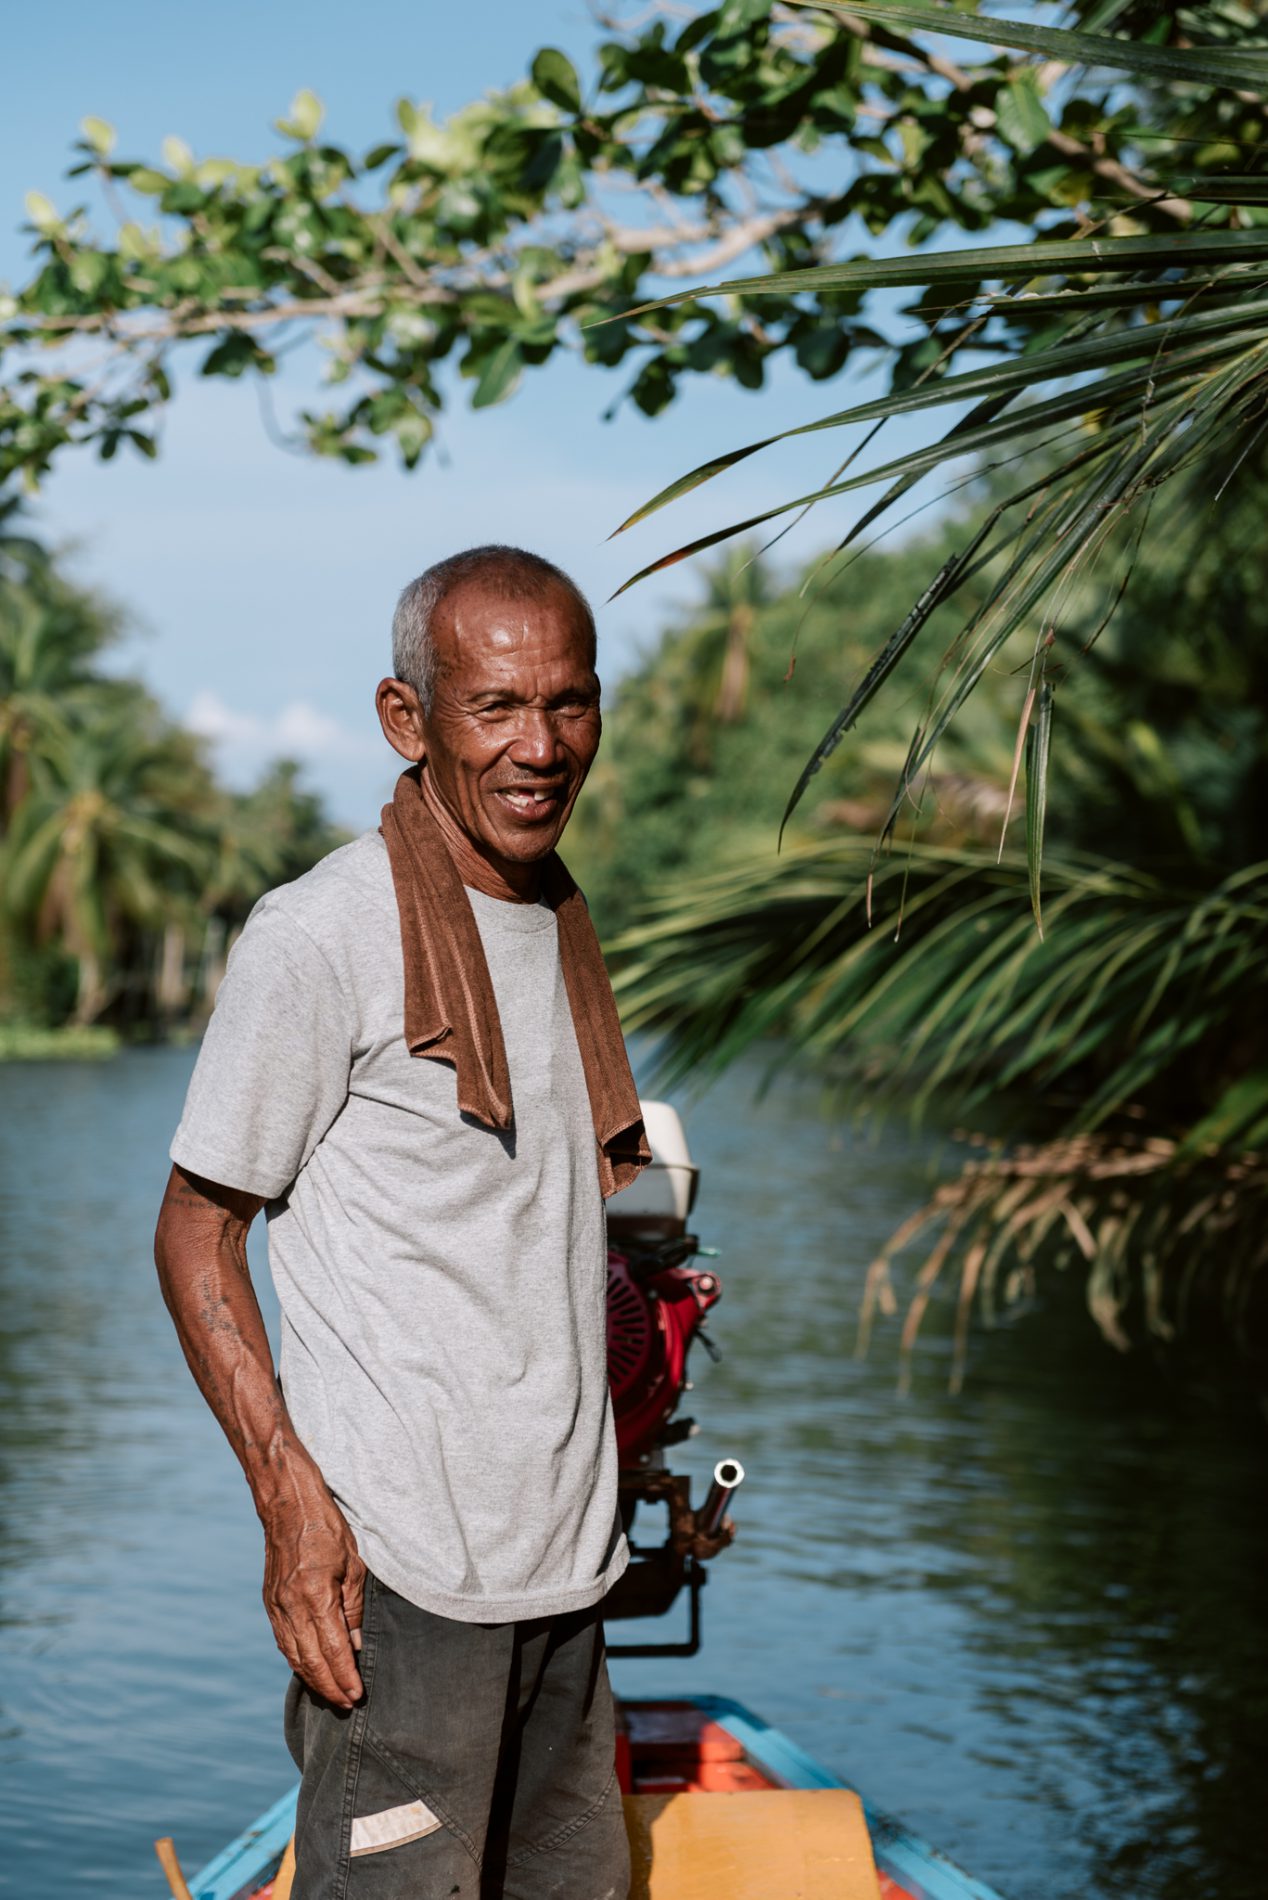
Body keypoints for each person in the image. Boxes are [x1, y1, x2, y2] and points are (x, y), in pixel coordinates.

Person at [153, 545, 649, 1900]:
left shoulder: (557, 919)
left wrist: (630, 1466)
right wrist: (289, 1503)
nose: (540, 746)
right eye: (495, 705)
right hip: (406, 1584)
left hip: (563, 1577)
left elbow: (532, 1241)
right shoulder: (320, 938)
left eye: (570, 703)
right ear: (406, 718)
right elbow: (196, 1233)